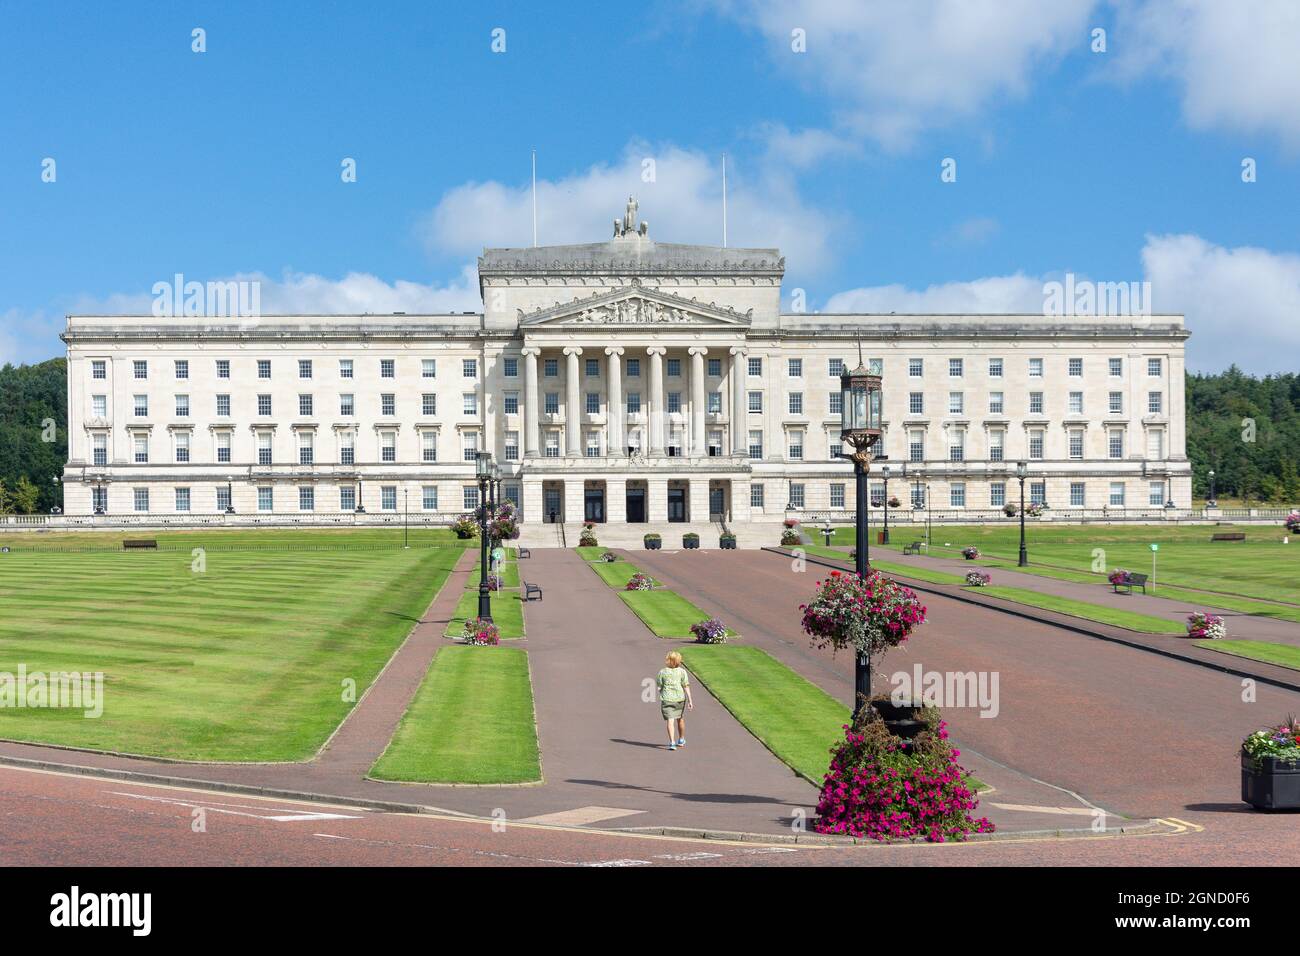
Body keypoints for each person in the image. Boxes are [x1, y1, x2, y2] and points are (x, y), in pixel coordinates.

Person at [656, 651, 693, 751]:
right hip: (679, 699)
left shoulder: (662, 672)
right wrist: (690, 700)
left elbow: (659, 686)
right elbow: (686, 685)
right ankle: (681, 739)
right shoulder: (682, 672)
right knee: (680, 718)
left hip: (667, 699)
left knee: (670, 720)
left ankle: (672, 742)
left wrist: (663, 692)